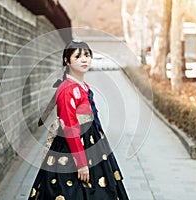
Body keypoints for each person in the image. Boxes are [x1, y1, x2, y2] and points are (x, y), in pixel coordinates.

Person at [28, 40, 129, 200]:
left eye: (87, 56)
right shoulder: (68, 90)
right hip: (74, 148)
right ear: (67, 61)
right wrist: (81, 163)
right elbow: (70, 128)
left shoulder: (82, 86)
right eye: (78, 56)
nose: (84, 60)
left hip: (92, 144)